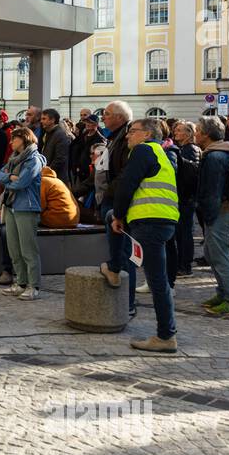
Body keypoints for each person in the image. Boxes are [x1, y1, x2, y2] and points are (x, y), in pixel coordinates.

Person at [101, 118, 179, 352]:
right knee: (159, 279)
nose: (128, 136)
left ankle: (166, 336)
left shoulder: (143, 150)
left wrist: (119, 216)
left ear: (147, 134)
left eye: (132, 132)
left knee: (157, 281)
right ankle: (114, 267)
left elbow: (127, 184)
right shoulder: (162, 153)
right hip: (163, 219)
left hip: (149, 220)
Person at [194, 116, 229, 317]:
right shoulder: (219, 152)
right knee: (213, 253)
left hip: (220, 211)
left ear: (206, 134)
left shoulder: (215, 157)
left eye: (197, 130)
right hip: (221, 209)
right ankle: (222, 294)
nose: (195, 134)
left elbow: (213, 191)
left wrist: (208, 216)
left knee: (220, 255)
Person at [0, 127, 45, 299]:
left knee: (28, 249)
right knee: (14, 249)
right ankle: (21, 282)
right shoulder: (13, 159)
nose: (11, 142)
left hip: (27, 207)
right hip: (11, 205)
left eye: (14, 139)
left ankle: (34, 286)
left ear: (23, 139)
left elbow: (23, 183)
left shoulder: (34, 159)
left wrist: (8, 180)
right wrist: (10, 177)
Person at [99, 101, 137, 305]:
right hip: (111, 197)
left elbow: (124, 175)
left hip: (118, 200)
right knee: (118, 251)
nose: (103, 117)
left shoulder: (126, 138)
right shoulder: (114, 137)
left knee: (124, 253)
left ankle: (127, 303)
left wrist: (107, 191)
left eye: (106, 114)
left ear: (120, 118)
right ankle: (123, 300)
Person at [171, 120, 201, 278]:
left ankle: (185, 265)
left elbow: (188, 175)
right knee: (182, 232)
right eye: (176, 129)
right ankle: (182, 263)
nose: (175, 132)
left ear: (189, 133)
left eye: (180, 130)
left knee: (185, 233)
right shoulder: (184, 149)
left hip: (185, 198)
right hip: (184, 197)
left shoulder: (190, 149)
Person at [39, 163, 80, 229]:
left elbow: (40, 206)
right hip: (73, 220)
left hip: (57, 219)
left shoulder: (43, 181)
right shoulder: (57, 180)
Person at [38, 109, 72, 185]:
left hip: (56, 178)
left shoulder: (60, 135)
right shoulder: (47, 133)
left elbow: (60, 158)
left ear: (52, 120)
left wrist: (47, 172)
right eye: (41, 119)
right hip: (49, 176)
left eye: (44, 119)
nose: (41, 121)